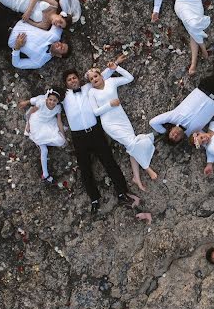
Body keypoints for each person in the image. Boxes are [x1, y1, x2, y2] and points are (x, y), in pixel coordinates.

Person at [60, 57, 139, 215]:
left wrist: (114, 64)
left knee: (109, 161)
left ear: (78, 79)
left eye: (74, 77)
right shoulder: (63, 96)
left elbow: (102, 75)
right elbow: (46, 100)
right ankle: (94, 199)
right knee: (85, 169)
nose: (73, 80)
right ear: (66, 83)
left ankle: (122, 192)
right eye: (69, 80)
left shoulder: (88, 87)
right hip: (78, 137)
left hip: (95, 132)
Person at [87, 64, 158, 192]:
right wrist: (110, 104)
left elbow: (129, 78)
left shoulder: (111, 82)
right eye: (91, 79)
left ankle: (136, 178)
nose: (94, 80)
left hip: (122, 119)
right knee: (131, 144)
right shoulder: (92, 92)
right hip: (109, 123)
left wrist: (116, 68)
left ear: (101, 76)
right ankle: (147, 168)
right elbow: (96, 112)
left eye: (95, 76)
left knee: (131, 145)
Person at [18, 89, 66, 184]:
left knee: (61, 141)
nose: (52, 102)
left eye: (54, 100)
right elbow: (30, 113)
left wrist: (63, 135)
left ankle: (40, 142)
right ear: (47, 98)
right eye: (50, 99)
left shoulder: (58, 108)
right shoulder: (41, 102)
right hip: (36, 123)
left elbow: (59, 122)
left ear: (58, 101)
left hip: (48, 124)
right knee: (44, 150)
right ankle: (45, 174)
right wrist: (28, 125)